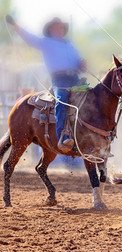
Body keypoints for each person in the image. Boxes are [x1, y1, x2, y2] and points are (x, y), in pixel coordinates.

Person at [6, 15, 86, 153]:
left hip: (75, 78)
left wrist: (81, 63)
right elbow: (30, 38)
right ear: (50, 29)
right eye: (56, 27)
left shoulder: (69, 44)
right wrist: (16, 26)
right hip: (59, 79)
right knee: (61, 102)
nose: (59, 29)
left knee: (91, 98)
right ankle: (62, 136)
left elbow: (78, 60)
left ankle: (92, 135)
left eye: (60, 27)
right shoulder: (46, 42)